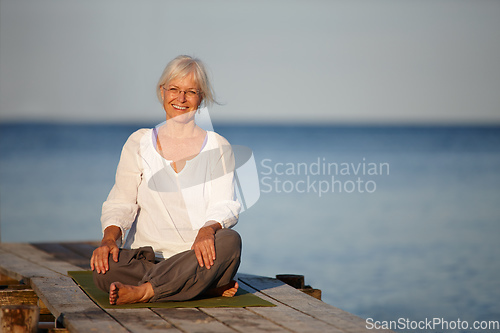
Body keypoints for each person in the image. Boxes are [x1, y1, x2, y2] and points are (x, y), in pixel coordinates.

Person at [90, 55, 242, 305]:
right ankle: (199, 286)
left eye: (190, 92)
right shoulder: (138, 142)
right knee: (101, 267)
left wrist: (206, 230)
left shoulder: (218, 146)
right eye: (174, 89)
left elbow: (225, 205)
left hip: (196, 256)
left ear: (201, 97)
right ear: (162, 92)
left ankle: (146, 291)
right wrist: (109, 240)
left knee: (229, 241)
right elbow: (121, 202)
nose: (180, 99)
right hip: (145, 259)